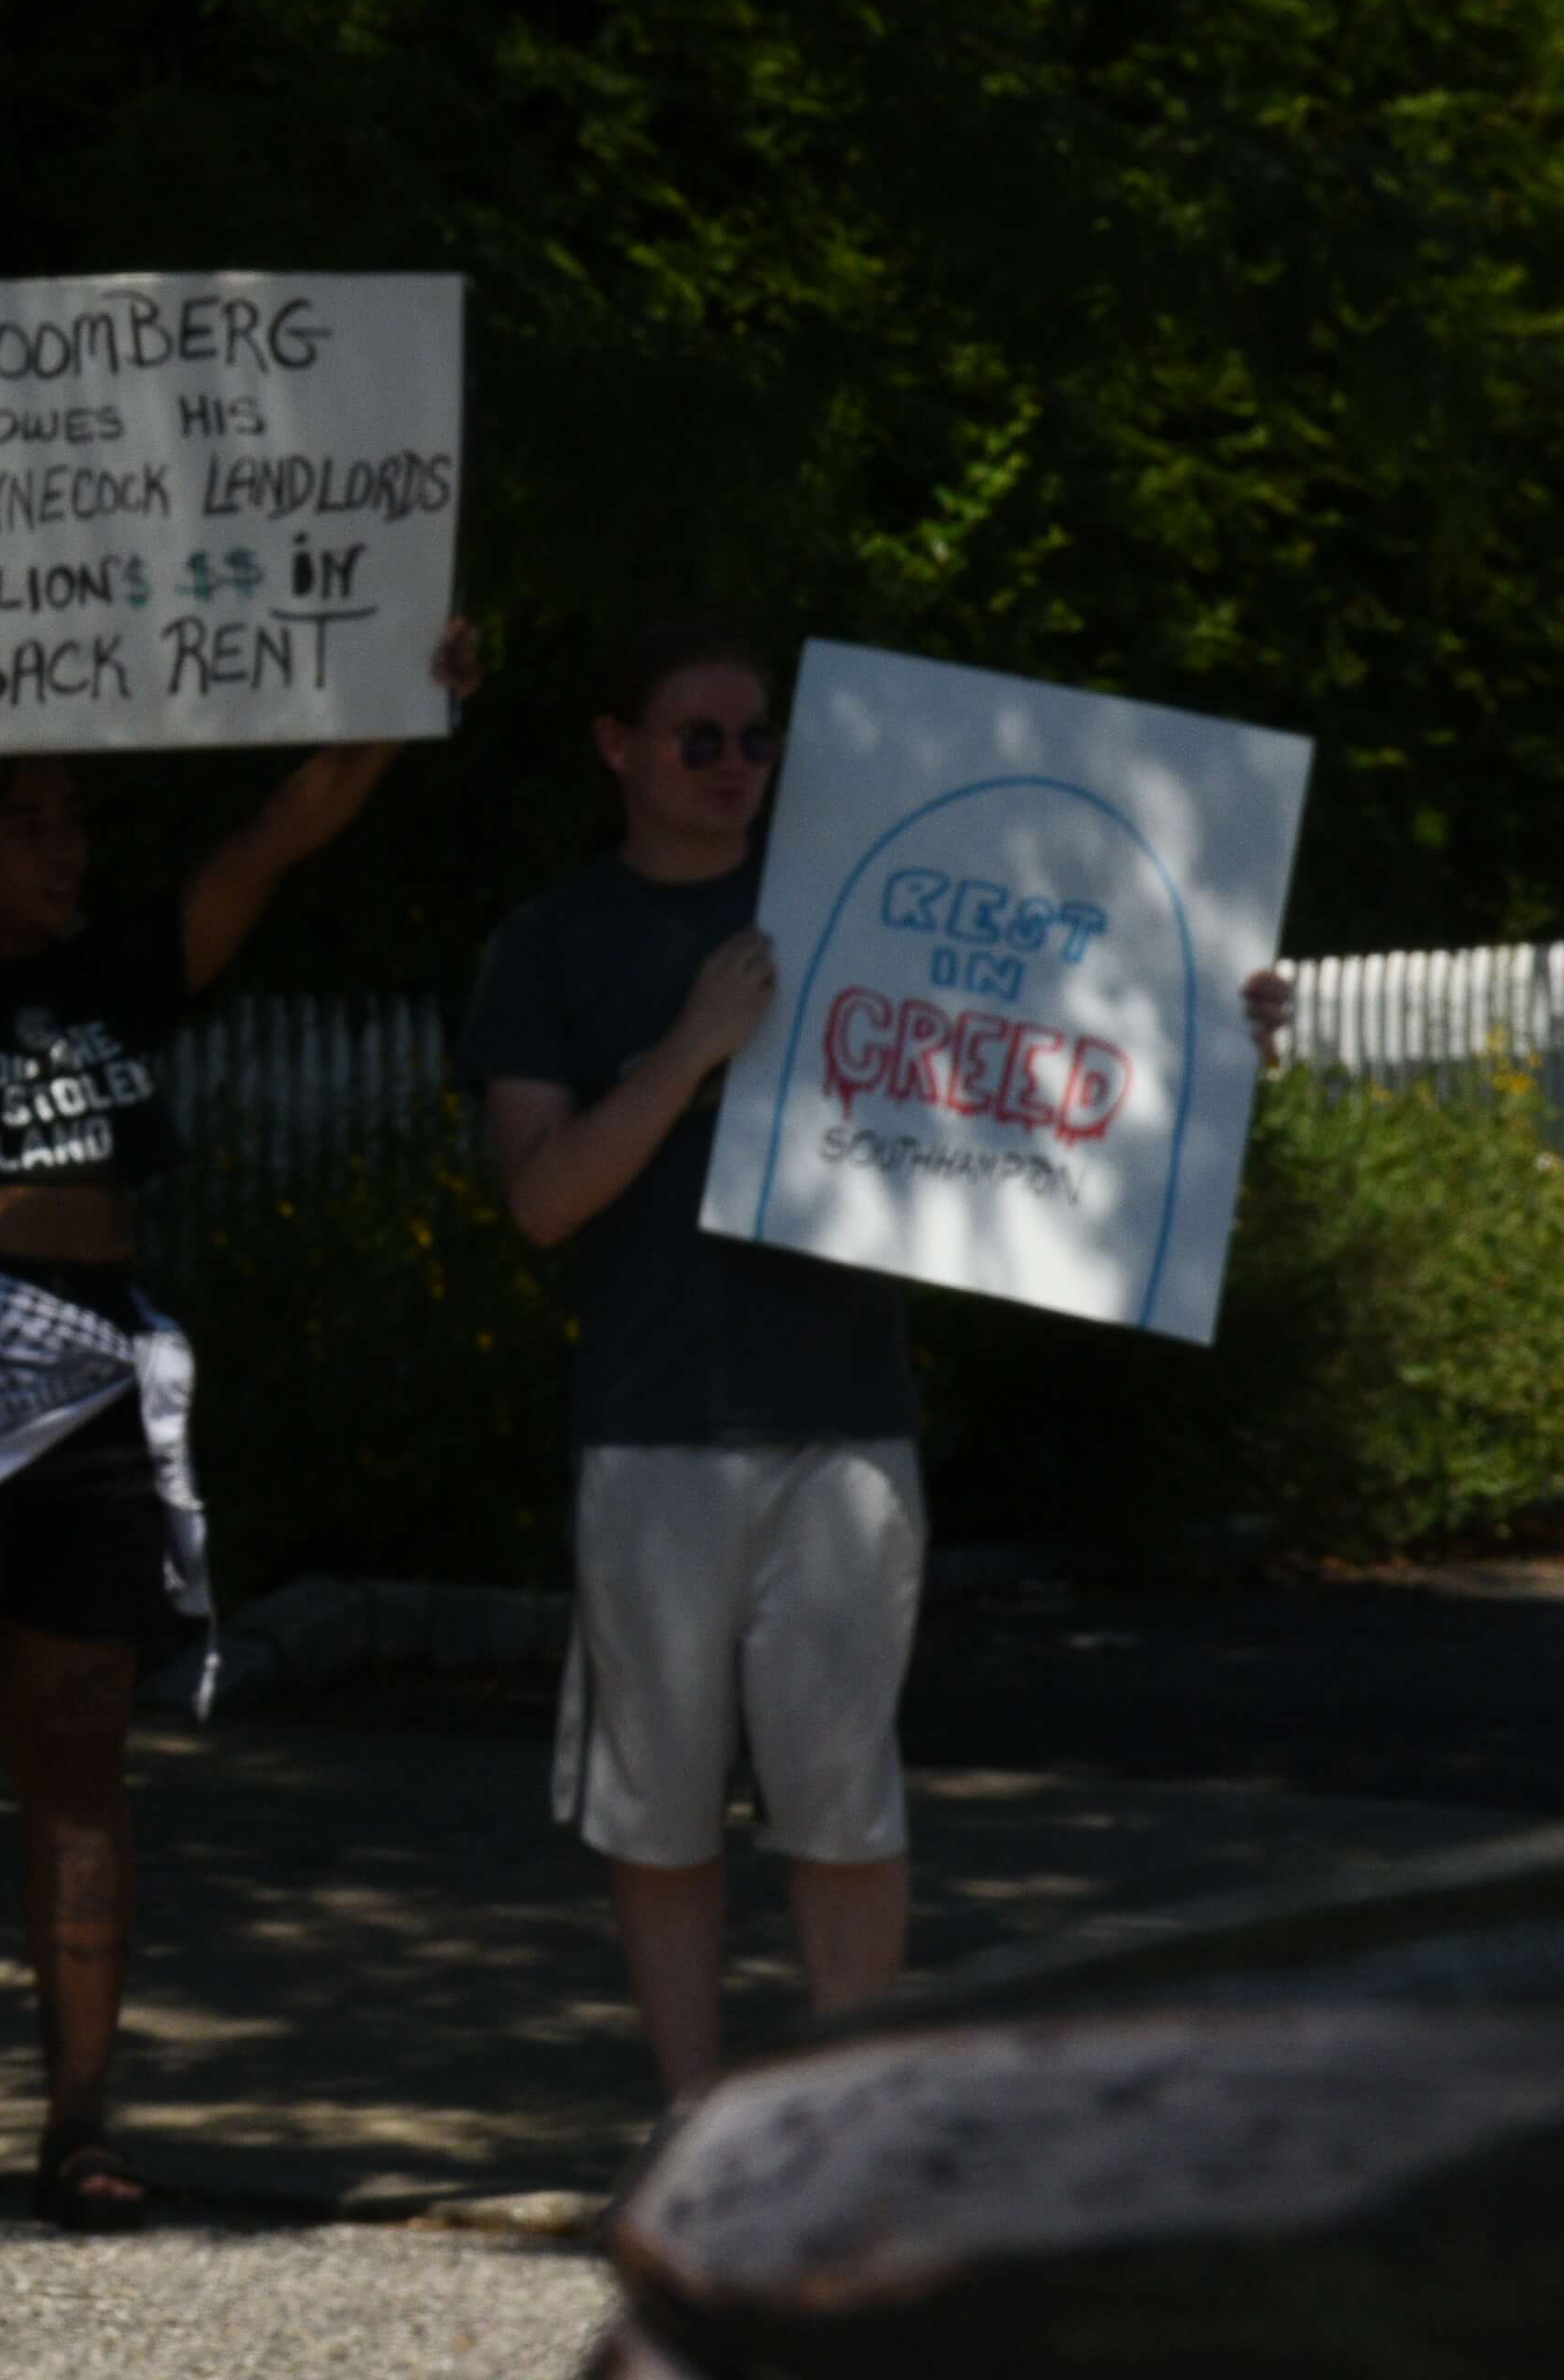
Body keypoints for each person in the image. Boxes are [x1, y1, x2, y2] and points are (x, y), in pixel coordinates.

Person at [460, 617, 1299, 2116]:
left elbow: (1076, 1014)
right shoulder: (550, 944)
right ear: (616, 748)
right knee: (658, 1813)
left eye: (756, 738)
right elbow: (540, 1200)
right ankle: (695, 2130)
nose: (732, 765)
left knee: (842, 1801)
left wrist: (1223, 1034)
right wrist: (691, 1051)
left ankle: (844, 2129)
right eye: (696, 738)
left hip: (847, 1418)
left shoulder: (853, 895)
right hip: (650, 1428)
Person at [0, 615, 476, 2231]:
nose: (67, 849)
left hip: (85, 1386)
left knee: (79, 1756)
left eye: (77, 820)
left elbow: (268, 843)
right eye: (31, 823)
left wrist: (399, 707)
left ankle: (80, 2123)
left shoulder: (111, 977)